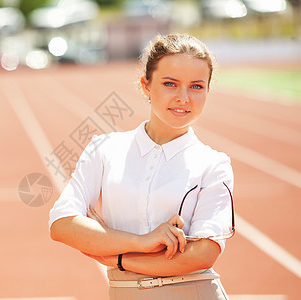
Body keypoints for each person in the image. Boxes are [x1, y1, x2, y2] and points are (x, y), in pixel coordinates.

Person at [48, 33, 234, 300]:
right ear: (146, 86)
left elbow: (203, 255)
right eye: (170, 84)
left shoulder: (214, 164)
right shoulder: (104, 149)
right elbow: (63, 224)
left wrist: (120, 259)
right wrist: (142, 242)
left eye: (196, 86)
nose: (184, 97)